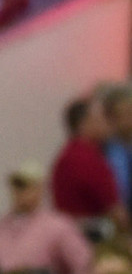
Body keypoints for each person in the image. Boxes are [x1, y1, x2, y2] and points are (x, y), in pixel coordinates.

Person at [0, 163, 93, 274]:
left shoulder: (58, 226)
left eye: (26, 186)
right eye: (17, 186)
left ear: (39, 189)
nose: (21, 192)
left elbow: (83, 263)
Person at [54, 97, 124, 226]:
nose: (108, 124)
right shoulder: (87, 161)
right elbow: (115, 213)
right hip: (94, 239)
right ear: (85, 123)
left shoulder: (66, 156)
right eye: (103, 118)